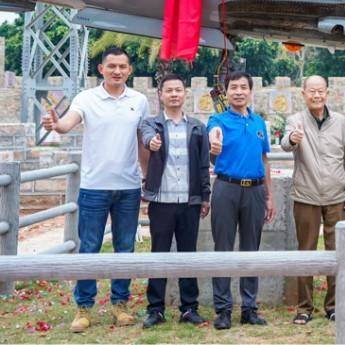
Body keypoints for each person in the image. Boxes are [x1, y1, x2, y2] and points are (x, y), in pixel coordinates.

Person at [42, 46, 149, 333]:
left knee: (125, 247)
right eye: (111, 66)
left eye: (122, 66)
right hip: (94, 187)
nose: (117, 71)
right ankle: (84, 306)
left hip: (128, 187)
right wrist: (56, 124)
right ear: (101, 69)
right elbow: (67, 123)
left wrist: (147, 176)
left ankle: (120, 303)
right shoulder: (86, 98)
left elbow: (142, 140)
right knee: (89, 247)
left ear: (129, 70)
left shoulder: (139, 101)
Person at [280, 75, 345, 325]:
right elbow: (285, 143)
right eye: (312, 91)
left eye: (321, 91)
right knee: (306, 252)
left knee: (337, 252)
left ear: (327, 93)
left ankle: (334, 305)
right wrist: (292, 139)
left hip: (337, 197)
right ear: (303, 94)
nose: (316, 95)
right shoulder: (295, 120)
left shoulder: (341, 122)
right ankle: (305, 307)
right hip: (306, 196)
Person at [138, 73, 211, 328]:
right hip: (161, 202)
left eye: (178, 90)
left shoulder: (197, 127)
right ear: (160, 95)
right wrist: (152, 143)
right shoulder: (152, 124)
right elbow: (146, 137)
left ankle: (189, 308)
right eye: (169, 90)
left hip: (189, 202)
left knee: (188, 254)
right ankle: (155, 309)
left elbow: (203, 165)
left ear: (185, 93)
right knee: (158, 254)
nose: (174, 94)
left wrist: (205, 197)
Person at [207, 71, 276, 330]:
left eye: (243, 87)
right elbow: (213, 135)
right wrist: (214, 142)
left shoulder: (258, 122)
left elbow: (264, 160)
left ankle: (249, 308)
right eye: (233, 87)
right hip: (227, 188)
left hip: (255, 191)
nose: (238, 91)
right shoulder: (218, 120)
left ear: (250, 91)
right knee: (223, 248)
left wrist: (269, 196)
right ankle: (223, 309)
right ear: (226, 92)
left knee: (251, 249)